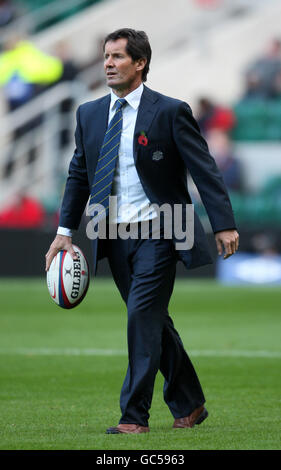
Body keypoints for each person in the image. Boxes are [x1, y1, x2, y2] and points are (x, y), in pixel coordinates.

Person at [45, 28, 239, 435]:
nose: (108, 64)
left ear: (140, 63)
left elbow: (204, 169)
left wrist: (223, 224)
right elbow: (79, 174)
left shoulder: (170, 111)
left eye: (117, 57)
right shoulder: (90, 113)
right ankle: (191, 403)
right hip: (111, 233)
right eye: (105, 56)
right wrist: (65, 231)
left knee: (139, 316)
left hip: (163, 230)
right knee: (152, 319)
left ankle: (134, 416)